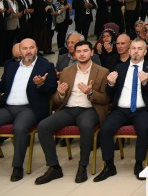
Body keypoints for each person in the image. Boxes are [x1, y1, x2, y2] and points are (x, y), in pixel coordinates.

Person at [35, 40, 110, 185]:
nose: (82, 54)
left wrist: (90, 93)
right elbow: (57, 100)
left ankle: (82, 166)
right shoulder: (67, 71)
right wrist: (60, 94)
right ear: (74, 54)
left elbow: (106, 98)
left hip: (89, 109)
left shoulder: (102, 72)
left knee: (86, 126)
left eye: (85, 51)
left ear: (91, 52)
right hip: (68, 109)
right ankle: (54, 167)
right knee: (43, 126)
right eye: (79, 51)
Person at [94, 38, 148, 182]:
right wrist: (110, 84)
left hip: (142, 110)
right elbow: (110, 93)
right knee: (105, 129)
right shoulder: (120, 68)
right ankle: (109, 166)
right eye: (133, 48)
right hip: (120, 110)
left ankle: (138, 164)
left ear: (145, 52)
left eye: (139, 49)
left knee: (143, 129)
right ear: (129, 51)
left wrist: (146, 82)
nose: (136, 51)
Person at [0, 38, 57, 181]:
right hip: (8, 107)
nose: (28, 51)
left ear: (36, 49)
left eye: (31, 48)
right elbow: (3, 86)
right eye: (24, 48)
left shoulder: (46, 66)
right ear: (20, 51)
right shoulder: (11, 66)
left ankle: (17, 167)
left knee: (19, 128)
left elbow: (52, 88)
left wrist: (41, 84)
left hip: (29, 108)